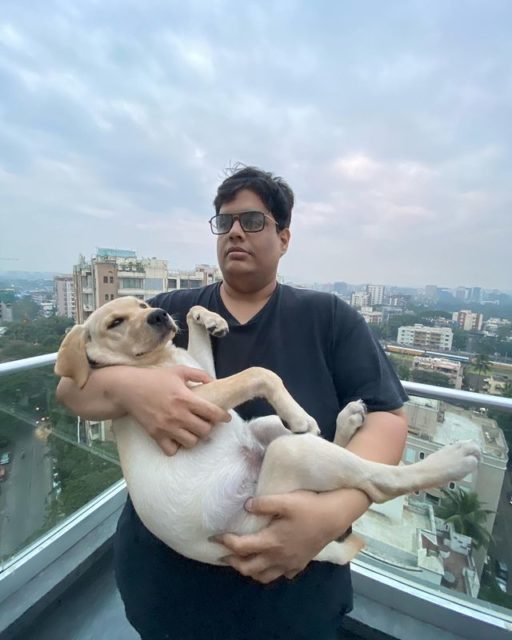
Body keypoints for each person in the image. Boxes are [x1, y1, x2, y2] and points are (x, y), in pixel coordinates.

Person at [57, 165, 408, 640]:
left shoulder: (328, 318)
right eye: (224, 222)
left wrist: (330, 516)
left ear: (284, 237)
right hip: (167, 587)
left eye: (254, 221)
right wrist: (129, 389)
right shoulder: (163, 313)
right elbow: (70, 387)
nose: (236, 231)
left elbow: (388, 418)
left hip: (292, 596)